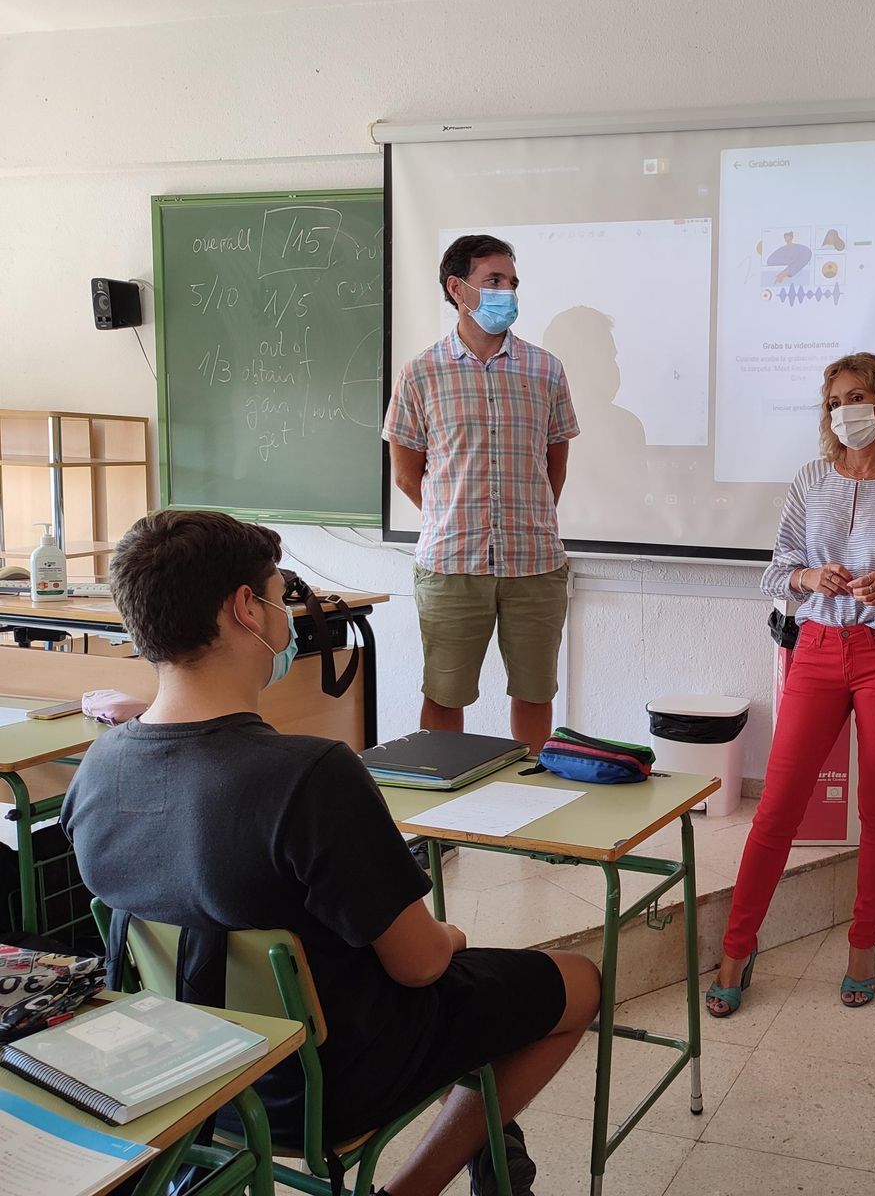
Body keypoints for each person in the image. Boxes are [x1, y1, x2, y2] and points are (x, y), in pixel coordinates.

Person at [60, 511, 600, 1196]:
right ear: (242, 610)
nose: (287, 613)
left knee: (460, 992)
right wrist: (450, 936)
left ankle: (492, 1145)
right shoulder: (312, 775)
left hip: (182, 1078)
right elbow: (419, 964)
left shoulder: (97, 769)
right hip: (319, 1086)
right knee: (572, 980)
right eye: (279, 594)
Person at [707, 352, 875, 1015]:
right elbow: (776, 571)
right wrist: (806, 578)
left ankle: (863, 948)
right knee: (776, 807)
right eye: (832, 403)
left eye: (855, 397)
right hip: (818, 649)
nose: (843, 411)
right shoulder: (810, 480)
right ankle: (738, 947)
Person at [384, 234, 579, 747]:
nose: (507, 292)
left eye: (512, 282)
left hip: (534, 563)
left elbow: (553, 465)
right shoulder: (420, 373)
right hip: (451, 565)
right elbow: (406, 473)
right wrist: (454, 517)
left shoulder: (545, 369)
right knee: (445, 695)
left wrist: (526, 516)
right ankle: (449, 809)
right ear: (458, 288)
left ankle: (532, 800)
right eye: (494, 280)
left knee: (536, 694)